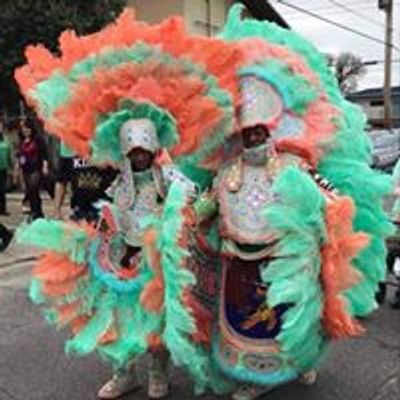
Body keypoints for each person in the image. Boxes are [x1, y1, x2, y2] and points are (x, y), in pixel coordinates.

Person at [53, 142, 117, 222]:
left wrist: (111, 163)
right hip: (79, 208)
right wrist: (57, 211)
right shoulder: (68, 152)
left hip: (104, 206)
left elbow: (121, 174)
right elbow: (61, 181)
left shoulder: (107, 148)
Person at [16, 119, 49, 220]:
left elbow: (44, 154)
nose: (25, 130)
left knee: (33, 189)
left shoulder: (38, 139)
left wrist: (45, 166)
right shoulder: (21, 140)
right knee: (31, 192)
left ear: (31, 128)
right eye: (23, 128)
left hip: (36, 168)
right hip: (25, 169)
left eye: (27, 128)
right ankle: (37, 212)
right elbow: (19, 155)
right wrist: (17, 167)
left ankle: (35, 211)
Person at [0, 120, 12, 215]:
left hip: (3, 168)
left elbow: (8, 153)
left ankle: (2, 209)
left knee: (2, 190)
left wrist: (10, 167)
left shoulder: (5, 139)